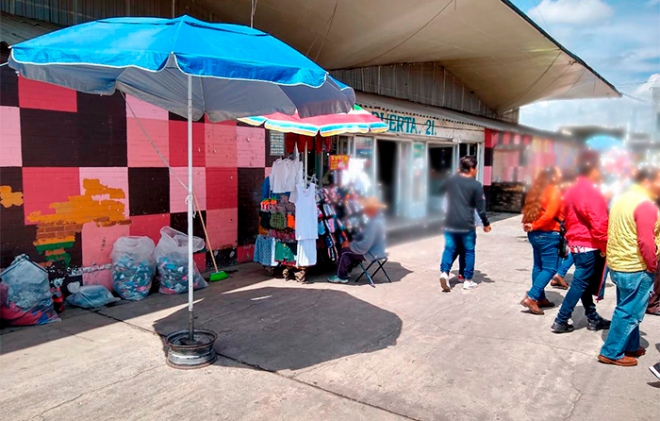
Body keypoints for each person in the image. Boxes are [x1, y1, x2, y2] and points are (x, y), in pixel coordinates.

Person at [598, 167, 660, 367]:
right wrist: (652, 265)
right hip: (636, 266)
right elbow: (646, 241)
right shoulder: (645, 205)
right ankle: (611, 352)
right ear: (648, 181)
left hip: (620, 264)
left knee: (626, 307)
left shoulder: (622, 199)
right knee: (629, 312)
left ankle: (630, 345)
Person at [551, 150, 611, 334]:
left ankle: (592, 317)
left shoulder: (573, 189)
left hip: (578, 241)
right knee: (580, 283)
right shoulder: (590, 191)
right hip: (588, 243)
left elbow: (565, 216)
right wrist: (603, 245)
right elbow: (599, 221)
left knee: (582, 282)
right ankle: (561, 319)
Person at [438, 156, 491, 292]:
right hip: (466, 225)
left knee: (449, 249)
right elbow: (480, 208)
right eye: (476, 168)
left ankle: (444, 272)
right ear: (472, 168)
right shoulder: (476, 185)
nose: (476, 170)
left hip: (450, 223)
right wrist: (485, 223)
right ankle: (467, 280)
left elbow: (442, 197)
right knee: (468, 251)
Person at [520, 167, 563, 315]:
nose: (561, 175)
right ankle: (532, 297)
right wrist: (535, 225)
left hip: (535, 235)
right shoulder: (554, 190)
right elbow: (549, 215)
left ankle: (540, 297)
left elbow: (528, 209)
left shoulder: (536, 190)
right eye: (559, 173)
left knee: (538, 266)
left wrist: (529, 225)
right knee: (551, 268)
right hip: (548, 234)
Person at [328, 197, 386, 284]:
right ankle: (346, 271)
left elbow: (365, 244)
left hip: (372, 253)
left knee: (345, 252)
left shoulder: (374, 223)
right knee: (349, 249)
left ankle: (341, 276)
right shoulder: (378, 220)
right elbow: (365, 236)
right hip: (379, 251)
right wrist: (353, 241)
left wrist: (350, 245)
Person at [550, 171, 576, 290]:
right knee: (575, 250)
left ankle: (557, 274)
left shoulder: (556, 190)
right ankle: (559, 273)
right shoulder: (567, 192)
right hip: (567, 223)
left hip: (561, 224)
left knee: (562, 249)